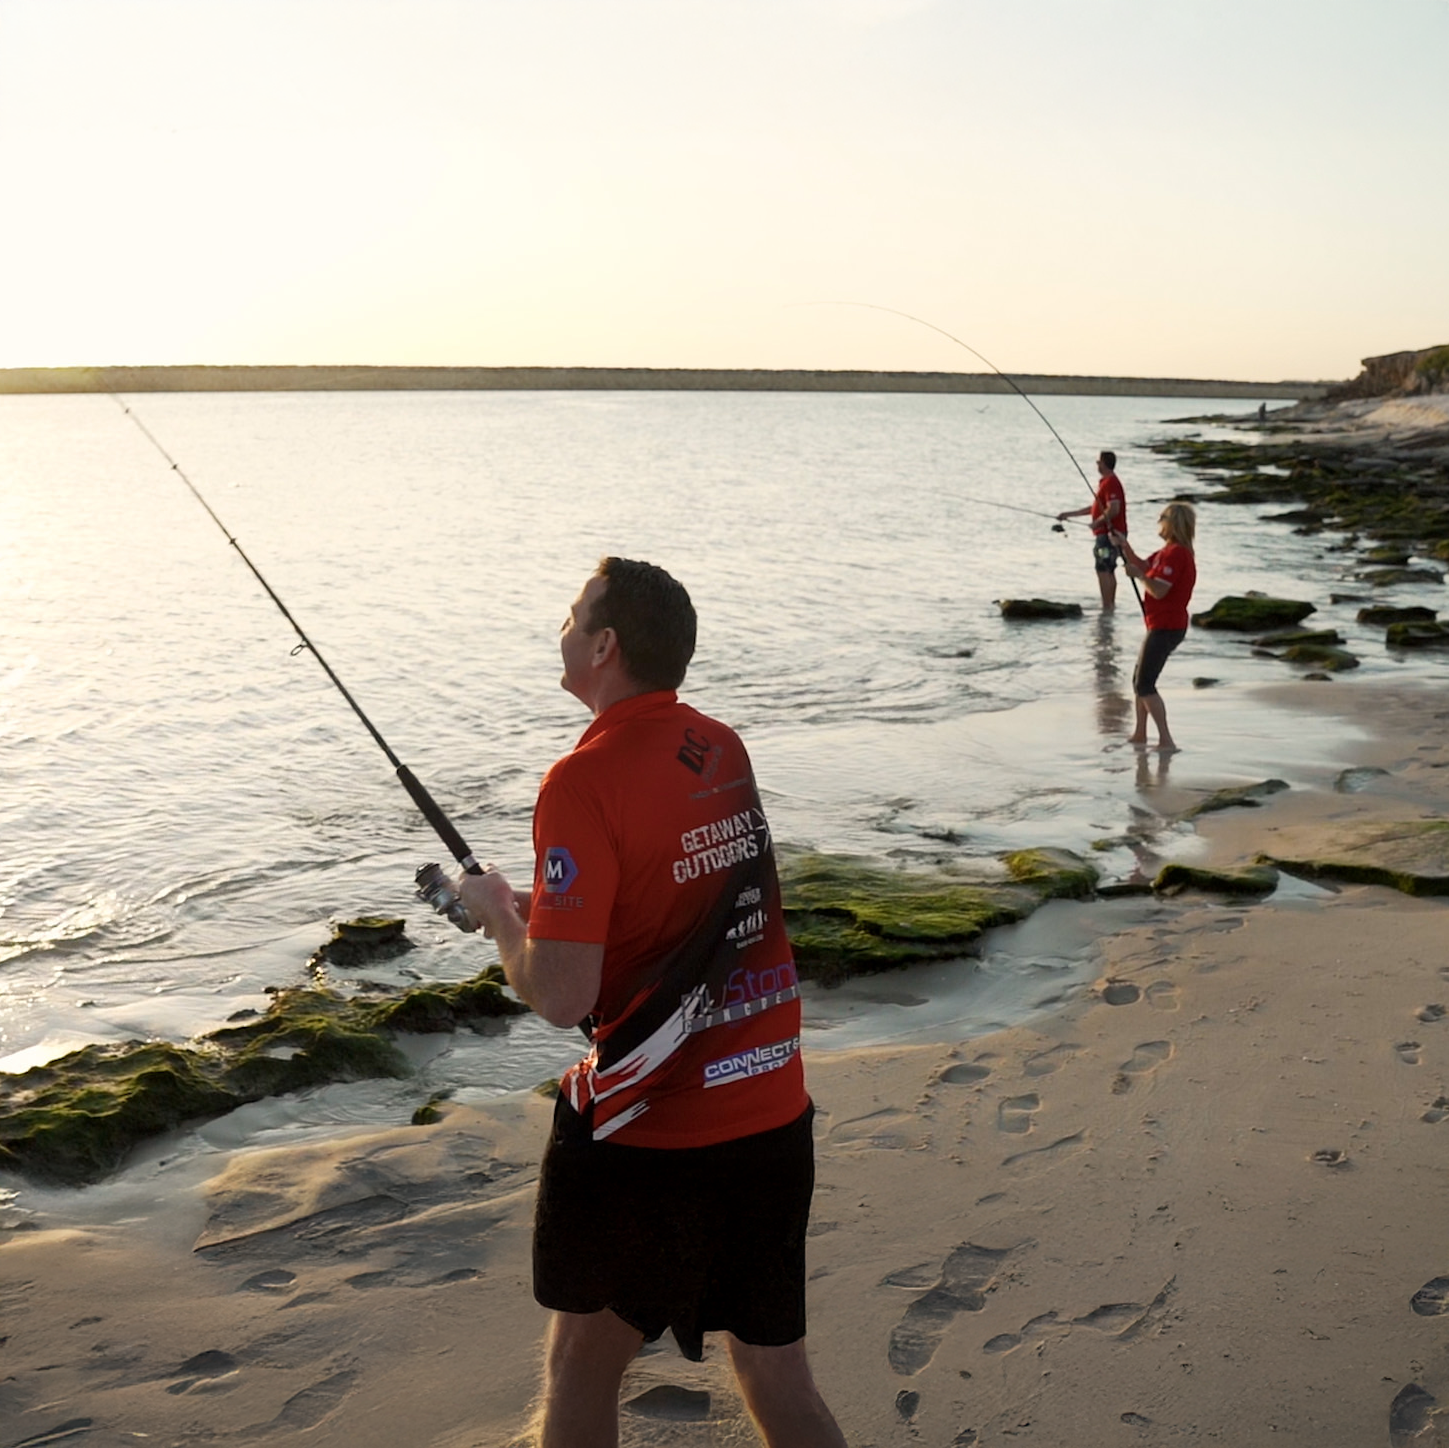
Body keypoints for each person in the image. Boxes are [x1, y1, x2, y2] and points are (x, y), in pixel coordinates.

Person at [457, 557, 845, 1448]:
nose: (559, 627)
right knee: (774, 1365)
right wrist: (532, 916)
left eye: (570, 613)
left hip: (655, 1133)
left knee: (580, 1365)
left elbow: (562, 995)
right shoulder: (721, 745)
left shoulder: (578, 782)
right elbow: (674, 910)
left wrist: (498, 922)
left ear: (604, 645)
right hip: (773, 1109)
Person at [1110, 502, 1198, 752]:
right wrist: (1123, 545)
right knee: (1139, 679)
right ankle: (1140, 733)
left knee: (1145, 684)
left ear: (1173, 524)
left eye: (1162, 518)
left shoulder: (1177, 554)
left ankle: (1166, 740)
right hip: (1159, 624)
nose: (1158, 521)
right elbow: (1142, 565)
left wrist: (1138, 576)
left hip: (1168, 626)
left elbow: (1159, 589)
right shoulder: (1165, 552)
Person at [1057, 450, 1128, 610]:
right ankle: (1110, 606)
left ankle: (1107, 606)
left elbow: (1114, 509)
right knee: (1109, 568)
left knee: (1103, 568)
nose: (1097, 464)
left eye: (1098, 461)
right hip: (1109, 535)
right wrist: (1069, 514)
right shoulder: (1106, 482)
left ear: (1104, 463)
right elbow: (1096, 508)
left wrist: (1098, 522)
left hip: (1109, 535)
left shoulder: (1111, 482)